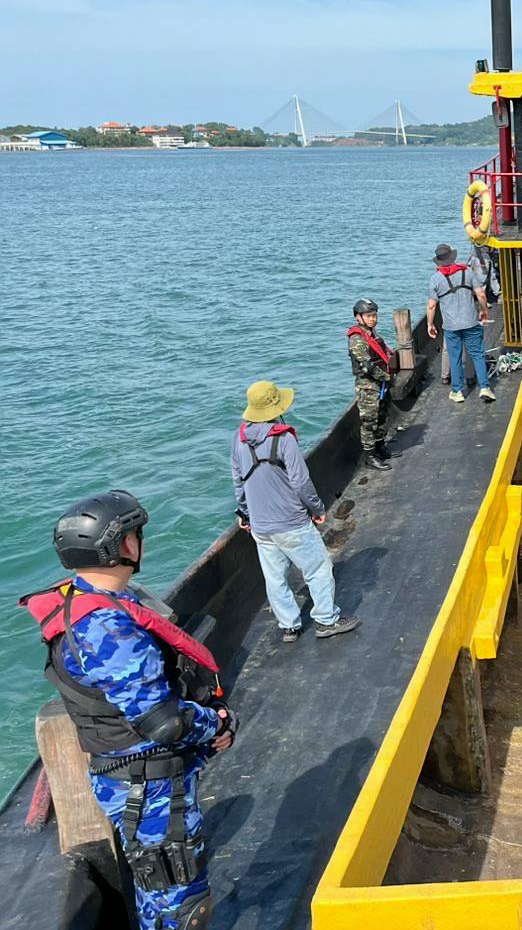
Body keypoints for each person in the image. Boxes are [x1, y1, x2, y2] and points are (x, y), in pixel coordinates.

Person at [19, 491, 236, 930]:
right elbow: (165, 722)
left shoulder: (79, 602)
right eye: (135, 534)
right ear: (122, 546)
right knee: (184, 904)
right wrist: (216, 722)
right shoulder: (108, 628)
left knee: (155, 889)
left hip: (130, 775)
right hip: (149, 785)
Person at [231, 380, 360, 642]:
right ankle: (326, 620)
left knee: (275, 577)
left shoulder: (239, 437)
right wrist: (317, 508)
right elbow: (301, 481)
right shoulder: (284, 438)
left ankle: (289, 626)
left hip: (261, 526)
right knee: (319, 568)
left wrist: (244, 513)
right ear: (276, 407)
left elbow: (238, 480)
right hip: (291, 522)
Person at [427, 243, 495, 404]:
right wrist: (484, 311)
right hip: (471, 323)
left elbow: (431, 305)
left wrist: (430, 324)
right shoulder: (467, 272)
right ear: (452, 257)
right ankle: (485, 388)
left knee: (455, 357)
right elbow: (481, 294)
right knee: (477, 354)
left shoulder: (436, 278)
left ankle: (457, 391)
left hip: (451, 326)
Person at [347, 298, 398, 471]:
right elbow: (367, 366)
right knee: (369, 421)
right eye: (368, 316)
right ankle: (370, 456)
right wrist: (386, 377)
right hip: (368, 385)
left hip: (381, 383)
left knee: (382, 416)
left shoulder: (372, 335)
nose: (372, 319)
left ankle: (380, 447)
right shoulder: (357, 339)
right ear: (358, 317)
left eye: (374, 315)